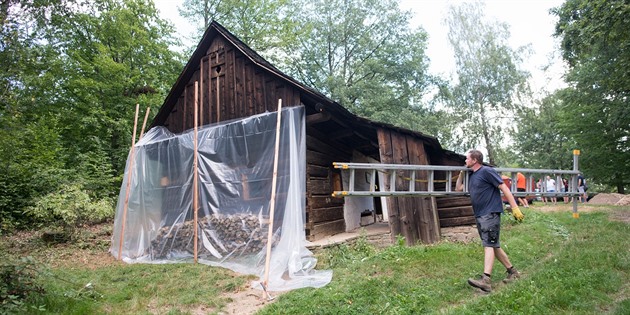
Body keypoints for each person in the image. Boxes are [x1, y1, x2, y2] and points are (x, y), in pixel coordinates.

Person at [456, 150, 522, 292]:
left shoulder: (486, 171)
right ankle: (513, 272)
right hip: (480, 214)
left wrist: (515, 207)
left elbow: (503, 187)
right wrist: (461, 175)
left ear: (474, 160)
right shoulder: (472, 176)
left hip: (490, 213)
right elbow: (458, 189)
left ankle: (486, 280)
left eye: (467, 159)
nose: (465, 161)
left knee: (489, 245)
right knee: (493, 245)